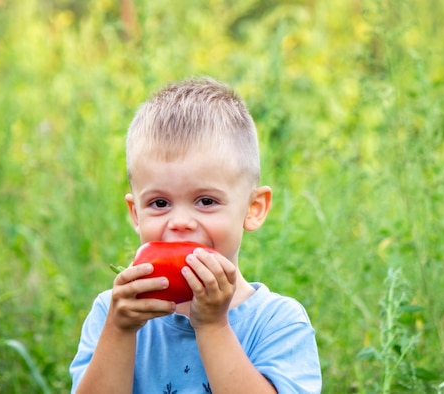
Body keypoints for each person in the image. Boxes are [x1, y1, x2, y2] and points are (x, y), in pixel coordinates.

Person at [69, 77, 322, 393]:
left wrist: (213, 326)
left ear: (253, 208)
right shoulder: (114, 314)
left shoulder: (277, 322)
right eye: (160, 203)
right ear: (136, 214)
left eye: (206, 201)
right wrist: (119, 332)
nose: (181, 222)